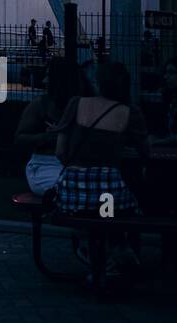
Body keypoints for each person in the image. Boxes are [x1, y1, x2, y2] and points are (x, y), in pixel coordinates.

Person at [53, 60, 149, 276]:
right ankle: (119, 249)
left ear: (98, 81)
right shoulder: (129, 112)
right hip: (109, 194)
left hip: (75, 195)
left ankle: (97, 253)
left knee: (90, 213)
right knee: (119, 208)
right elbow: (146, 152)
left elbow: (60, 152)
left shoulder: (76, 104)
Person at [14, 56, 82, 195]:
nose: (45, 81)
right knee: (66, 191)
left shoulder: (84, 103)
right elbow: (20, 139)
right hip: (47, 163)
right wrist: (47, 137)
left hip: (78, 163)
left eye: (48, 76)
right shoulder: (40, 104)